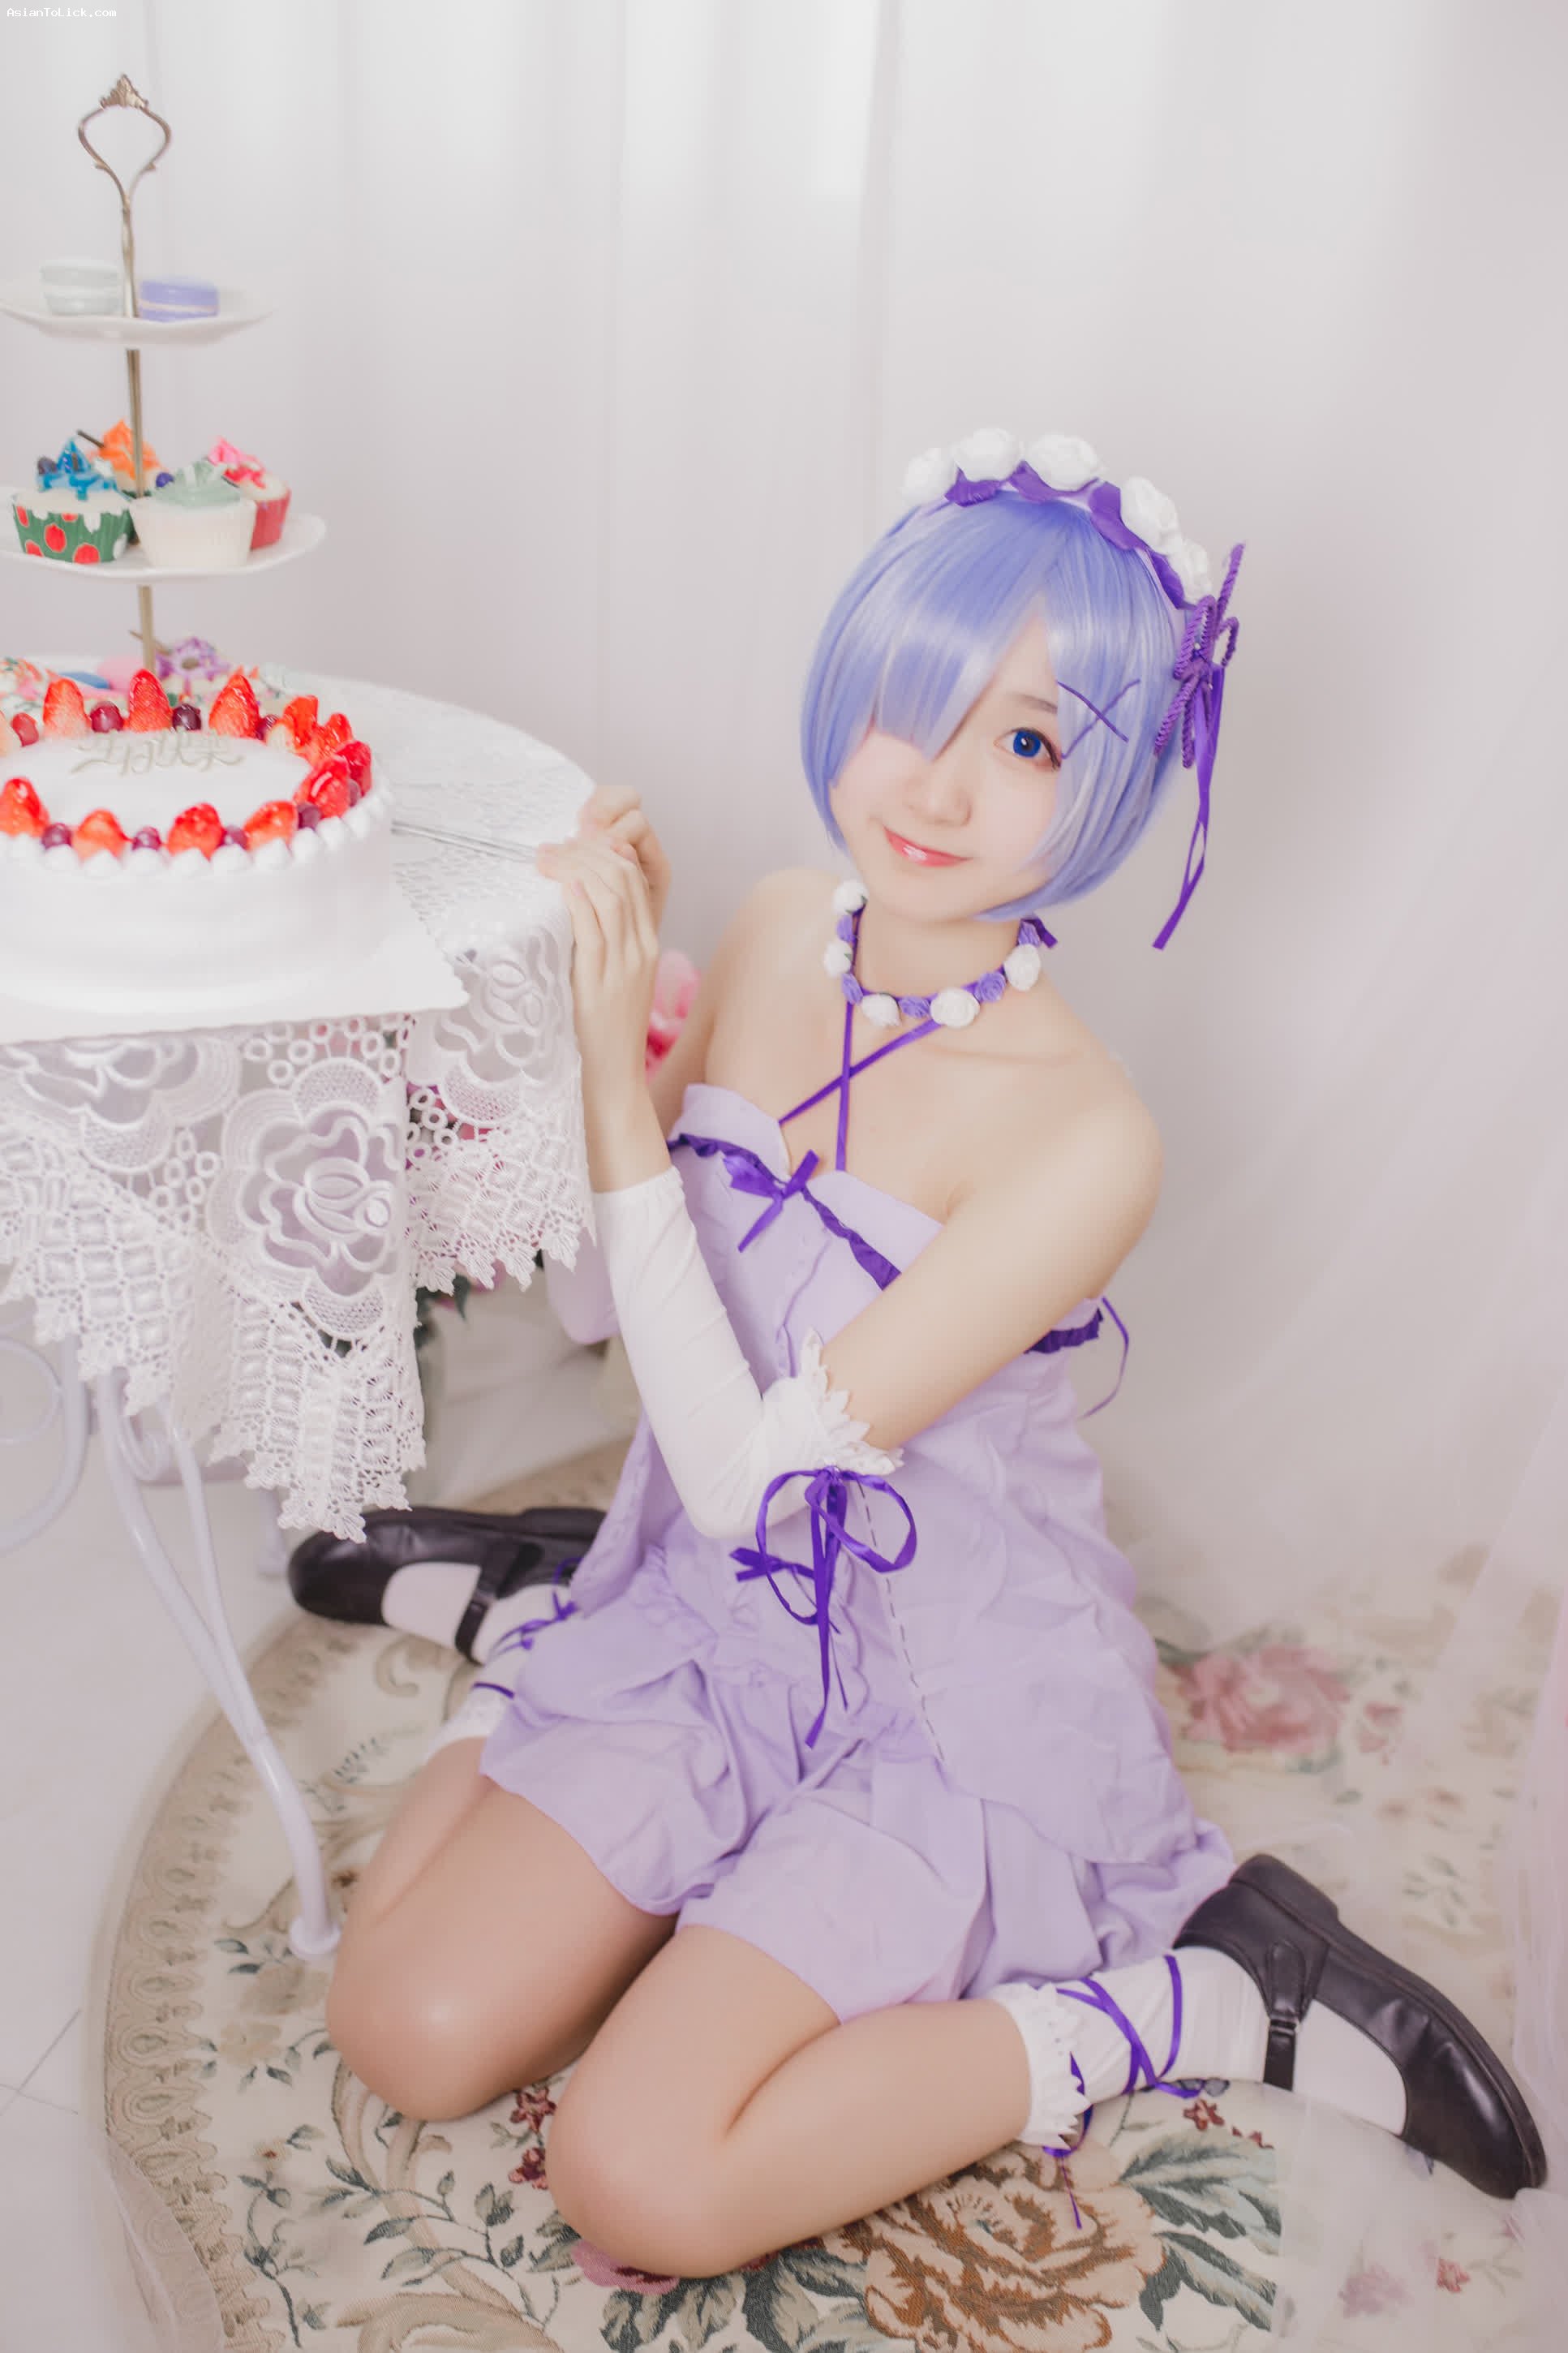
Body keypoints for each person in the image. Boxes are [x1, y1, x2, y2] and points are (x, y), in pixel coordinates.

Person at [299, 430, 1544, 2280]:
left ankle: (1205, 1999)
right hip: (714, 1601)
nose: (938, 787)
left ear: (1116, 775)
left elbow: (756, 1478)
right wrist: (583, 1035)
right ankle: (559, 1611)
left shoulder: (1087, 1136)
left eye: (1027, 743)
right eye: (909, 704)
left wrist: (616, 1099)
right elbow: (613, 1314)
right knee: (401, 2027)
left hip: (937, 1682)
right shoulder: (774, 925)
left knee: (646, 2174)